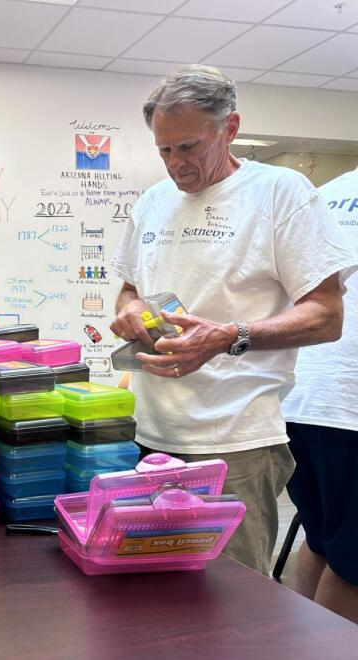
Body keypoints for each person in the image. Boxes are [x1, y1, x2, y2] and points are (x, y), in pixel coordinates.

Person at [109, 64, 357, 575]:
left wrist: (229, 337)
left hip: (237, 443)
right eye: (164, 150)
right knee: (150, 594)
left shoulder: (280, 193)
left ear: (230, 127)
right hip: (147, 435)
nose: (176, 164)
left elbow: (326, 316)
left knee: (232, 607)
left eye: (189, 146)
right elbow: (128, 290)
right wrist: (131, 311)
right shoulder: (153, 202)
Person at [280, 166, 358, 622]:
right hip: (348, 402)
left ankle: (289, 645)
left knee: (321, 539)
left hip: (298, 396)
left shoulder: (325, 194)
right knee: (352, 565)